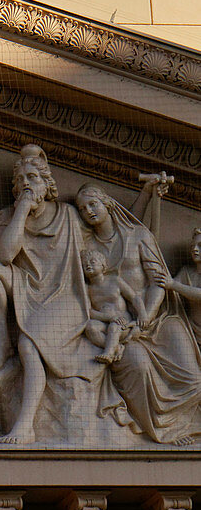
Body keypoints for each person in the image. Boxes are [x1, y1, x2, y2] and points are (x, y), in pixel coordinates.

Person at [0, 144, 91, 444]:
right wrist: (23, 210)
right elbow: (4, 254)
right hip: (26, 288)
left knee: (30, 344)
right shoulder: (7, 217)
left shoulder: (68, 215)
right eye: (21, 179)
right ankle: (2, 347)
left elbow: (111, 244)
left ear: (47, 183)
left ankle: (25, 427)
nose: (26, 183)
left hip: (65, 297)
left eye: (33, 178)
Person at [76, 183, 201, 445]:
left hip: (157, 320)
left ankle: (189, 425)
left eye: (93, 204)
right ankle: (165, 433)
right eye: (82, 209)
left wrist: (145, 318)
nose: (89, 211)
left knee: (194, 378)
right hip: (120, 330)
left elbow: (159, 281)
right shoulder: (85, 247)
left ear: (107, 203)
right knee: (139, 366)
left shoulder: (139, 235)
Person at [80, 247, 146, 365]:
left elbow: (134, 298)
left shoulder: (115, 281)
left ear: (103, 266)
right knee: (90, 327)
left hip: (122, 320)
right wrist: (109, 317)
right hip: (104, 321)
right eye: (85, 264)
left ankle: (109, 353)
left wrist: (143, 314)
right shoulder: (87, 289)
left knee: (115, 326)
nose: (88, 265)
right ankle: (117, 348)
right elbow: (89, 312)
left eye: (92, 262)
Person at [158, 227, 201, 343]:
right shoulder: (186, 272)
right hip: (191, 329)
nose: (195, 250)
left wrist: (173, 285)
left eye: (200, 246)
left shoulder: (177, 282)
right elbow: (170, 291)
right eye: (193, 246)